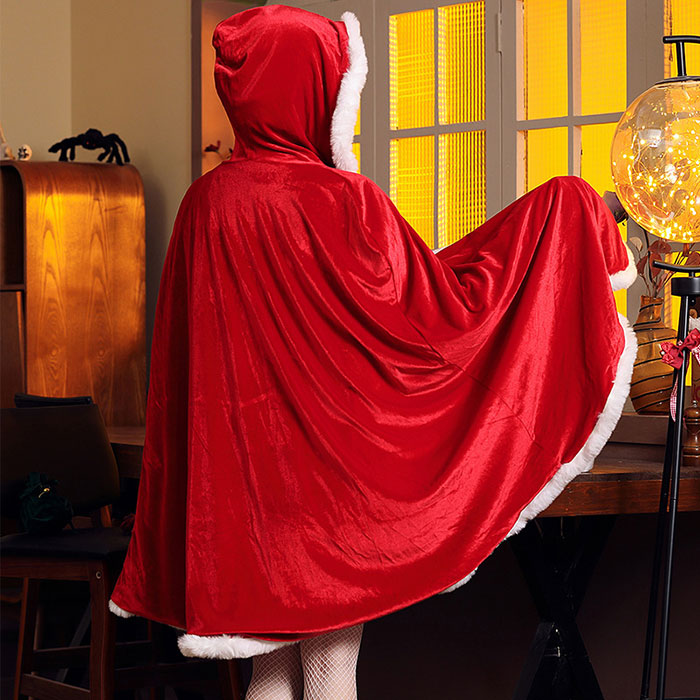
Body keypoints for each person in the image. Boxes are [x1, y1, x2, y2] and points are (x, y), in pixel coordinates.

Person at [109, 6, 637, 698]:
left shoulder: (203, 205)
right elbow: (439, 307)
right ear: (306, 90)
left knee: (268, 669)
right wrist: (568, 211)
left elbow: (183, 372)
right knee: (330, 670)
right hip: (330, 489)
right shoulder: (342, 201)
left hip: (243, 489)